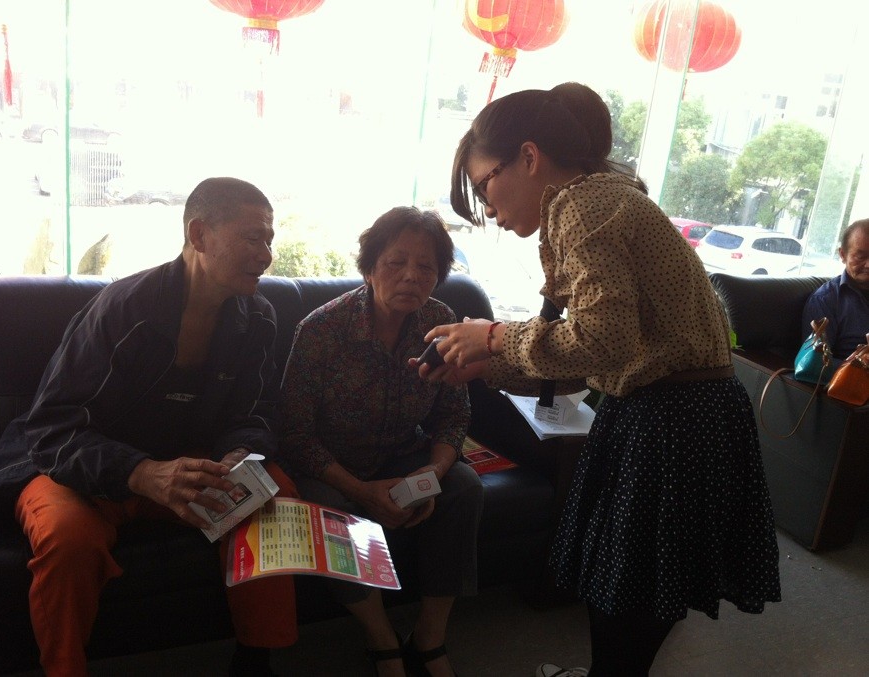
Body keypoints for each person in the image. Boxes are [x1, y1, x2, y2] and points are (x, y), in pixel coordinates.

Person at [416, 83, 782, 677]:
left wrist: (494, 336)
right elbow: (591, 351)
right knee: (631, 583)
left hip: (671, 418)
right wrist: (487, 365)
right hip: (679, 409)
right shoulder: (604, 198)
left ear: (529, 157)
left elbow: (602, 340)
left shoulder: (583, 206)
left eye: (485, 185)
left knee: (627, 589)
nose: (489, 209)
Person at [0, 177, 297, 677]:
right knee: (69, 539)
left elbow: (252, 412)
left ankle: (255, 659)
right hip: (76, 470)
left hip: (181, 468)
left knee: (271, 493)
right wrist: (141, 472)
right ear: (199, 234)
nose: (266, 255)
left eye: (270, 240)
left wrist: (240, 454)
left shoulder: (258, 318)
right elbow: (51, 427)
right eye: (253, 238)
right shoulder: (125, 308)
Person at [279, 206, 482, 677]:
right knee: (327, 508)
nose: (411, 276)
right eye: (396, 262)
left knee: (465, 487)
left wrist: (432, 473)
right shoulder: (321, 330)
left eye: (426, 266)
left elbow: (454, 415)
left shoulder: (440, 321)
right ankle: (381, 638)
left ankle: (429, 636)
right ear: (369, 268)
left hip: (402, 454)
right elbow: (294, 434)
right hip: (332, 465)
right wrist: (363, 492)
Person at [802, 218, 869, 360]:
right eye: (860, 257)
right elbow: (816, 363)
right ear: (843, 255)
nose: (868, 264)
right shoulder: (825, 300)